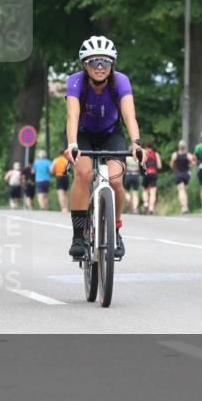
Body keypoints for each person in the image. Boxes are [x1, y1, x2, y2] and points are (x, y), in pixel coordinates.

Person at [65, 36, 143, 260]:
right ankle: (78, 236)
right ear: (84, 64)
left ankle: (115, 231)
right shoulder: (76, 82)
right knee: (83, 173)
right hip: (82, 134)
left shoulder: (120, 81)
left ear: (112, 64)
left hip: (111, 134)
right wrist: (72, 145)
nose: (100, 67)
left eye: (105, 62)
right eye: (94, 62)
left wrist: (136, 143)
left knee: (117, 180)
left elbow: (129, 116)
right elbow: (72, 116)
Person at [169, 140, 194, 214]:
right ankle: (186, 206)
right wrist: (189, 165)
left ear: (179, 147)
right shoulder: (188, 155)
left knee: (181, 191)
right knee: (184, 191)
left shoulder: (175, 155)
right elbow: (193, 163)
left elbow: (171, 165)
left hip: (178, 174)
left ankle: (184, 207)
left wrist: (175, 168)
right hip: (186, 175)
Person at [141, 142, 161, 214]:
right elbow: (159, 166)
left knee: (145, 190)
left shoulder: (144, 154)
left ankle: (146, 203)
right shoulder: (156, 154)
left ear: (146, 147)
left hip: (146, 173)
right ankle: (151, 208)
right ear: (152, 147)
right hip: (153, 173)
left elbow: (141, 164)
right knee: (153, 192)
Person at [50, 149, 70, 213]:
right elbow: (69, 169)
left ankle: (63, 208)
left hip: (59, 176)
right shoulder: (66, 160)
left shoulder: (56, 160)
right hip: (66, 177)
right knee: (65, 193)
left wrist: (54, 172)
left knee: (60, 193)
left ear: (58, 153)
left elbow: (51, 170)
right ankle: (66, 207)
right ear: (64, 153)